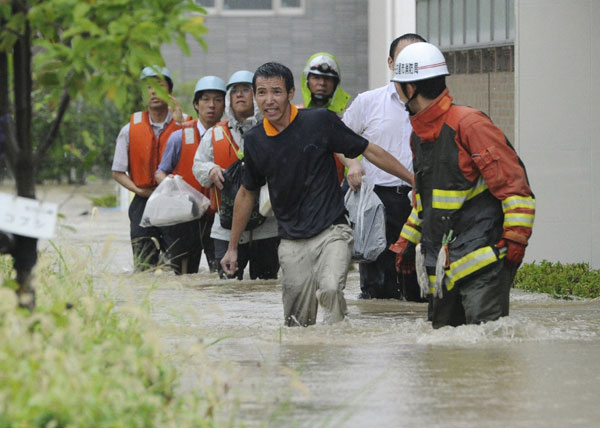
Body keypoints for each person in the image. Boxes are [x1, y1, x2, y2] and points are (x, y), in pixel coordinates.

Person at [220, 62, 414, 327]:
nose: (269, 100)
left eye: (276, 91)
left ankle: (337, 355)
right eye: (262, 93)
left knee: (331, 289)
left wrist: (413, 180)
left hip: (332, 230)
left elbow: (368, 150)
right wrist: (232, 248)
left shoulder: (319, 121)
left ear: (290, 94)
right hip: (291, 239)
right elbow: (246, 193)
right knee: (297, 323)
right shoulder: (255, 141)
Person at [389, 42, 535, 329]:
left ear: (410, 89)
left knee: (485, 351)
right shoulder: (419, 136)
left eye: (399, 85)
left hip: (482, 263)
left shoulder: (469, 124)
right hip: (443, 267)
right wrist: (406, 241)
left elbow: (515, 188)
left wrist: (516, 239)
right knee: (446, 355)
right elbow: (426, 202)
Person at [342, 33, 427, 301]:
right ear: (391, 62)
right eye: (404, 58)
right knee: (378, 288)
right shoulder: (368, 102)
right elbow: (339, 140)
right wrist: (352, 163)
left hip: (420, 201)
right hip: (377, 201)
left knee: (419, 287)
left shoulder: (436, 108)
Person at [192, 70, 280, 280]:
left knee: (265, 287)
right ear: (229, 100)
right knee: (227, 288)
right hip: (225, 227)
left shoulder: (273, 131)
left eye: (246, 90)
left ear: (257, 96)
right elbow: (198, 165)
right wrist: (211, 170)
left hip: (266, 227)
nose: (240, 95)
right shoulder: (215, 133)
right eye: (235, 91)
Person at [112, 66, 184, 271]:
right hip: (143, 202)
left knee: (181, 270)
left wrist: (180, 125)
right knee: (144, 269)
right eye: (148, 87)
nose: (153, 92)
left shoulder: (186, 124)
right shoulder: (129, 129)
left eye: (159, 86)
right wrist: (139, 190)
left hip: (177, 204)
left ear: (169, 91)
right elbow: (117, 172)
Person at [155, 75, 227, 274]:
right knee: (183, 278)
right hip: (185, 218)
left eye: (217, 100)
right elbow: (160, 172)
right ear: (196, 104)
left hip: (219, 219)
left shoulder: (231, 136)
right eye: (205, 99)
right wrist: (169, 182)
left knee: (223, 277)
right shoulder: (178, 137)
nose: (211, 105)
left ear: (224, 105)